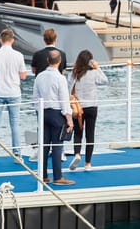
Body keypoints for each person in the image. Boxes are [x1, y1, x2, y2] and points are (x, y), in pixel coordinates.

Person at [0, 28, 27, 164]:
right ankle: (17, 154)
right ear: (12, 40)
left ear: (0, 40)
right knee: (15, 123)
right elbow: (23, 76)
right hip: (14, 92)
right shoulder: (19, 55)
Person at [33, 50, 75, 185]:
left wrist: (38, 112)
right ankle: (58, 177)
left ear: (47, 61)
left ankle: (43, 175)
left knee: (44, 145)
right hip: (57, 113)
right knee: (57, 146)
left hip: (43, 112)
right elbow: (64, 100)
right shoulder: (60, 78)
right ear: (59, 61)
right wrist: (69, 119)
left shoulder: (39, 76)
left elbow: (35, 97)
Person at [30, 27, 68, 162]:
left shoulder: (37, 54)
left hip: (41, 94)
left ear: (44, 39)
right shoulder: (61, 54)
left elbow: (33, 69)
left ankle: (41, 152)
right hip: (56, 97)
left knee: (41, 126)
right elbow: (63, 71)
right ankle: (60, 152)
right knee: (59, 128)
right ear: (55, 39)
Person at [67, 50, 108, 172]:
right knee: (90, 135)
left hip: (78, 107)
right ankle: (87, 163)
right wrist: (98, 68)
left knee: (78, 133)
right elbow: (105, 80)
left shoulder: (74, 74)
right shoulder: (94, 73)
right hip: (92, 106)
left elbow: (68, 89)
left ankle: (77, 154)